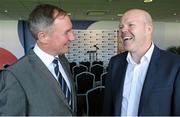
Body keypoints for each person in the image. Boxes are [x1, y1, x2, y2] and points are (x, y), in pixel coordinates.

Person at [0, 4, 77, 116]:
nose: (73, 37)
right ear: (43, 37)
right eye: (67, 32)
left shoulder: (63, 60)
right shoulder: (14, 77)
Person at [103, 9, 180, 116]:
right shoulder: (115, 63)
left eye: (131, 25)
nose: (123, 30)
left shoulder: (174, 65)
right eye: (121, 27)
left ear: (148, 29)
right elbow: (108, 106)